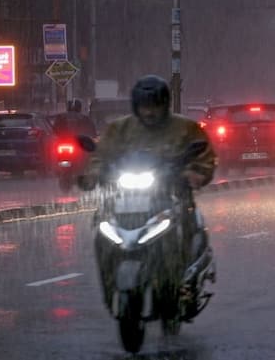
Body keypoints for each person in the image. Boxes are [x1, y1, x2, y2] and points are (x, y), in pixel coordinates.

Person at [78, 75, 217, 294]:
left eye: (155, 106)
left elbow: (204, 156)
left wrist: (195, 172)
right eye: (144, 106)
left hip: (172, 192)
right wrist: (93, 174)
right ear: (136, 106)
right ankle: (109, 273)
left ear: (165, 104)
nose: (149, 112)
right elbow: (101, 154)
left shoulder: (185, 128)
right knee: (102, 223)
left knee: (187, 218)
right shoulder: (119, 129)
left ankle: (186, 271)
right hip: (126, 195)